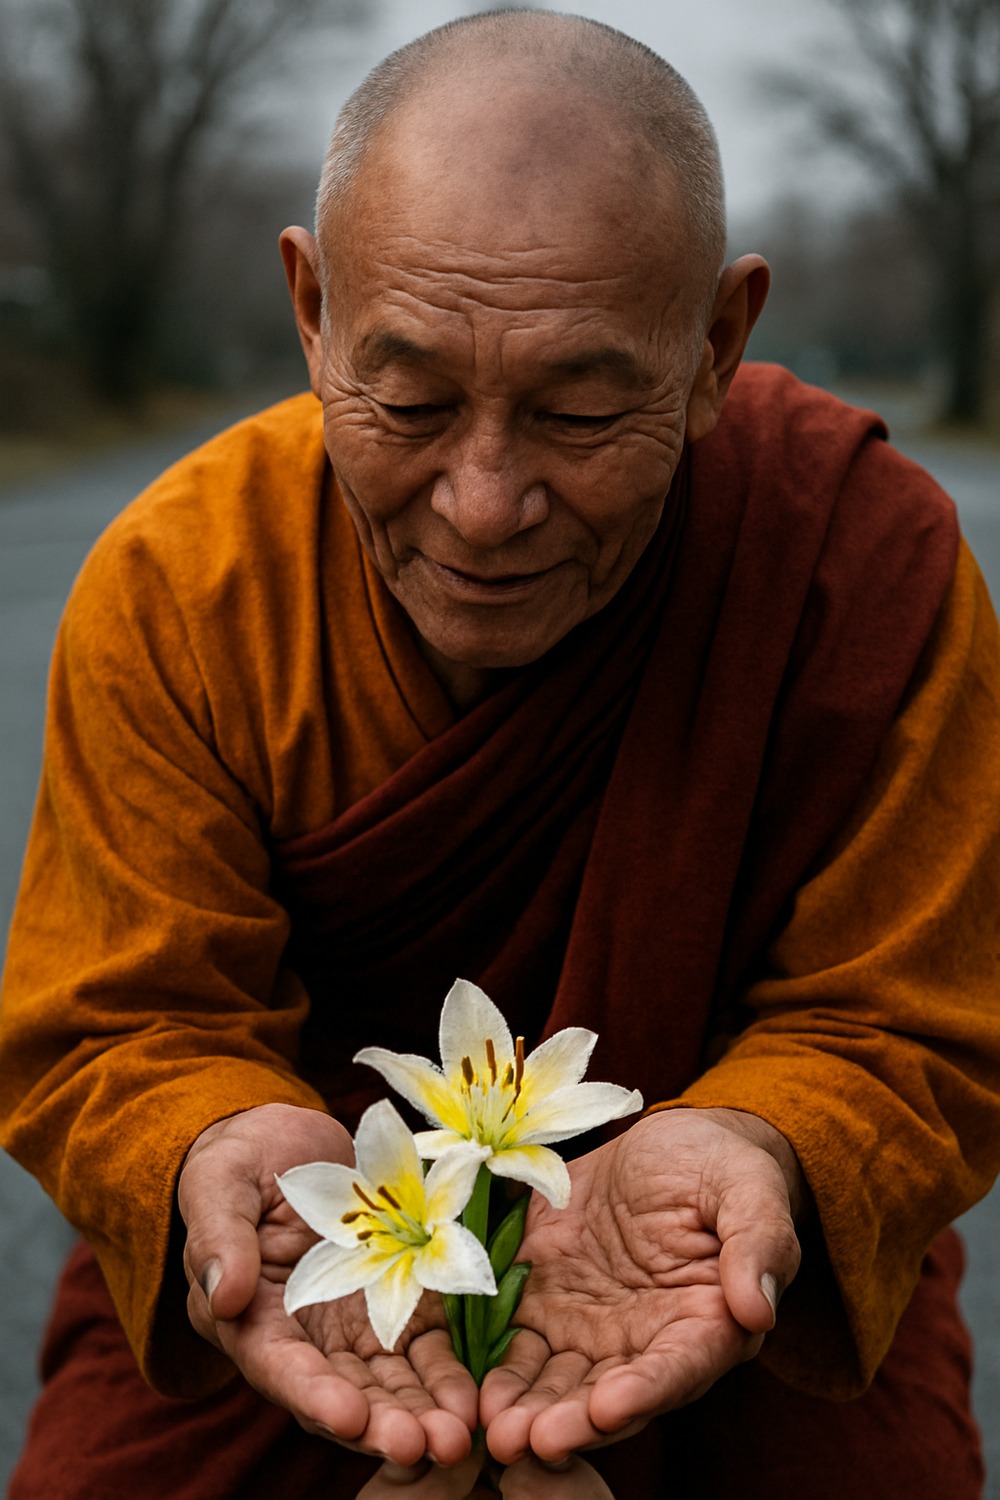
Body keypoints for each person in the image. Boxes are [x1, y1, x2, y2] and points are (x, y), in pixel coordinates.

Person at [2, 10, 998, 1498]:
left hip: (734, 1293)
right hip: (303, 1278)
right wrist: (215, 1140)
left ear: (719, 344)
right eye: (406, 402)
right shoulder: (187, 587)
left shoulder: (861, 565)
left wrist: (764, 1141)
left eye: (582, 411)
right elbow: (119, 1019)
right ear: (311, 309)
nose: (482, 505)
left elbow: (909, 1015)